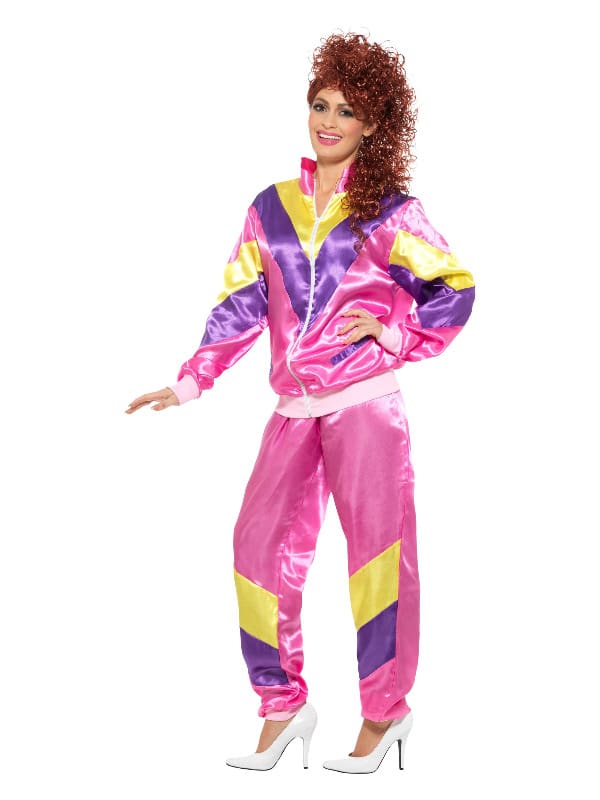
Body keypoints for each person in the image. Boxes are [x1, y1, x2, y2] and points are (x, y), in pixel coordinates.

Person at [125, 32, 475, 773]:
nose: (328, 120)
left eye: (347, 111)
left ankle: (385, 713)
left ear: (373, 124)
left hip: (365, 410)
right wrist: (190, 380)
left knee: (378, 560)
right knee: (256, 548)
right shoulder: (271, 207)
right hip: (292, 410)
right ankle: (282, 705)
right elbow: (242, 302)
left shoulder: (391, 212)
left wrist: (391, 332)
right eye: (321, 104)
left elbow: (454, 288)